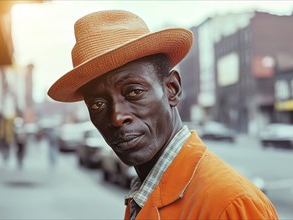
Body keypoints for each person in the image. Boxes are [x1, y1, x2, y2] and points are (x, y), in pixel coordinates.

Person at [47, 10, 278, 220]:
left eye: (134, 92)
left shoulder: (230, 205)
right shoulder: (145, 192)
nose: (116, 117)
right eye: (97, 104)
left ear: (172, 89)